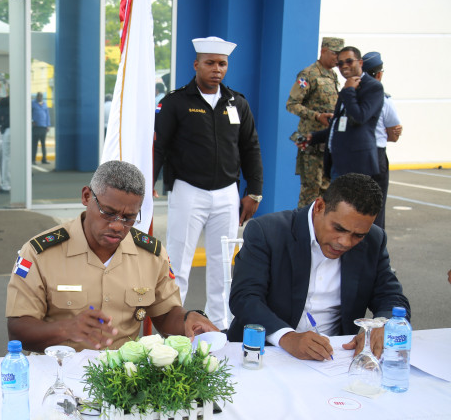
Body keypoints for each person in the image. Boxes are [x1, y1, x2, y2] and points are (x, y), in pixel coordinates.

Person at [6, 160, 218, 353]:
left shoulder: (151, 255)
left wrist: (187, 320)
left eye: (129, 217)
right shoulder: (39, 253)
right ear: (86, 196)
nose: (117, 225)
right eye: (108, 212)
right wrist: (65, 329)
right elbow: (17, 330)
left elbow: (165, 315)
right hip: (58, 371)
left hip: (123, 375)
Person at [226, 173, 409, 361]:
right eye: (339, 228)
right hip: (264, 352)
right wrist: (287, 337)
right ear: (319, 207)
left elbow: (392, 297)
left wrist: (382, 326)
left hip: (335, 358)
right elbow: (245, 297)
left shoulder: (373, 240)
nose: (345, 242)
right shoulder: (268, 231)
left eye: (358, 235)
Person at [153, 36, 263, 330]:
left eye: (222, 64)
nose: (217, 69)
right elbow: (159, 146)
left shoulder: (237, 102)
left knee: (222, 264)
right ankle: (174, 325)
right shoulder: (175, 102)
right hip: (188, 191)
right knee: (178, 262)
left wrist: (254, 192)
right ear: (196, 65)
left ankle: (220, 325)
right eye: (210, 63)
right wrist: (148, 184)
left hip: (227, 193)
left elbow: (250, 147)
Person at [308, 46, 384, 180]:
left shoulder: (373, 87)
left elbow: (359, 117)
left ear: (360, 62)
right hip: (338, 163)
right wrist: (313, 137)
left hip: (357, 164)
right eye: (340, 63)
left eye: (349, 61)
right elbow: (340, 125)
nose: (344, 66)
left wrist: (349, 91)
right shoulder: (347, 87)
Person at [286, 37, 344, 207]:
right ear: (323, 51)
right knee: (310, 192)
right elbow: (292, 104)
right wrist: (317, 116)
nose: (338, 59)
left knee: (326, 191)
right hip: (310, 144)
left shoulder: (333, 75)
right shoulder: (308, 74)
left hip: (327, 143)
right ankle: (302, 222)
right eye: (335, 54)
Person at [363, 51, 402, 229]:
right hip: (376, 156)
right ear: (379, 75)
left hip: (353, 157)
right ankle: (374, 242)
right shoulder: (384, 99)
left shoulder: (350, 95)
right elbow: (394, 134)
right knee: (376, 208)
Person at [31, 92, 50, 164]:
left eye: (41, 97)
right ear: (37, 97)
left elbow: (47, 115)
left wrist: (48, 125)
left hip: (43, 127)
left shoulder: (45, 104)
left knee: (43, 144)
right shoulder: (33, 103)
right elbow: (29, 113)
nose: (40, 98)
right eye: (39, 97)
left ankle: (44, 159)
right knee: (34, 144)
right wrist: (32, 121)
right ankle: (33, 159)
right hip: (36, 127)